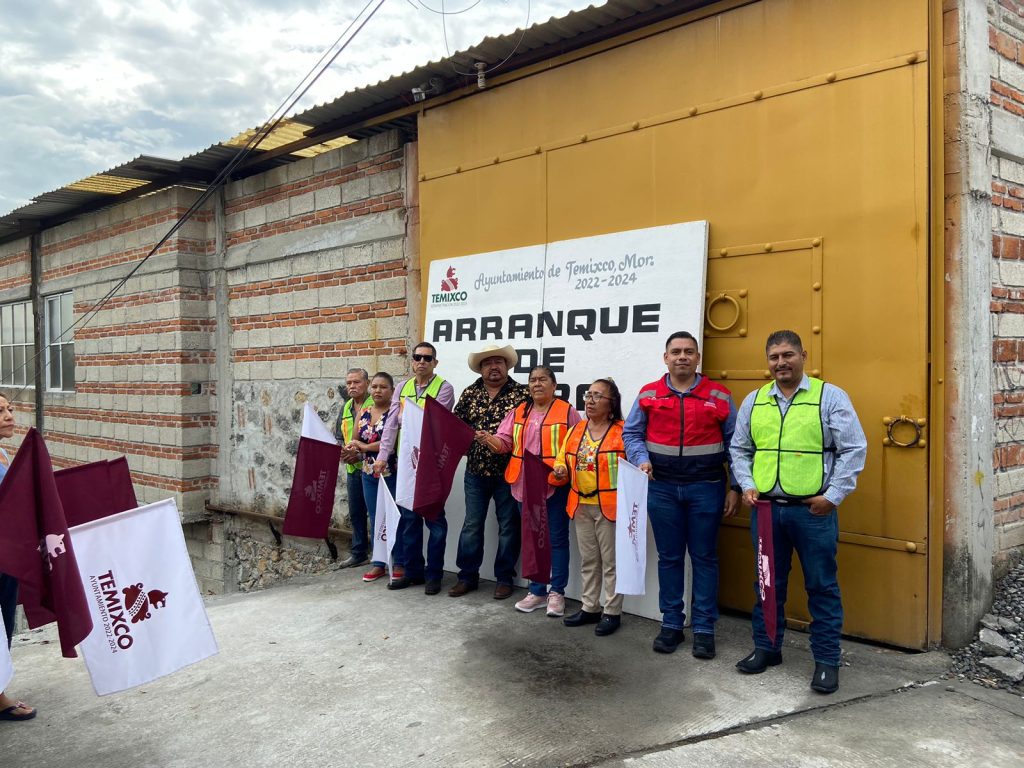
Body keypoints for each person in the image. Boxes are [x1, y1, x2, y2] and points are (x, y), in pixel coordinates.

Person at [730, 330, 866, 694]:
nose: (781, 363)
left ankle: (826, 661)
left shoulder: (829, 396)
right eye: (774, 357)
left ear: (803, 355)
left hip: (813, 512)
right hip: (765, 511)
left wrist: (833, 496)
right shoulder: (754, 401)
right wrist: (745, 484)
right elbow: (739, 448)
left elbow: (854, 448)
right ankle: (767, 647)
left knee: (821, 586)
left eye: (788, 355)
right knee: (767, 583)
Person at [622, 331, 740, 658]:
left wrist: (736, 487)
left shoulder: (719, 394)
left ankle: (703, 628)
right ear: (666, 358)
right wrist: (642, 460)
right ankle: (671, 623)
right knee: (670, 558)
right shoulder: (649, 394)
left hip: (707, 487)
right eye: (676, 352)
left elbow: (737, 444)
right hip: (661, 488)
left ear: (698, 358)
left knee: (704, 558)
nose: (682, 357)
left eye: (689, 351)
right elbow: (632, 433)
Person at [480, 366, 581, 617]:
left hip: (553, 486)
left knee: (556, 540)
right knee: (532, 540)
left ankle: (556, 591)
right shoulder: (519, 411)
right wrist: (489, 439)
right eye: (533, 380)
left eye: (542, 379)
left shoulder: (567, 411)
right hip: (523, 486)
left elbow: (578, 445)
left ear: (554, 385)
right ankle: (536, 591)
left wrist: (565, 470)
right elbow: (504, 443)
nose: (537, 384)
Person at [375, 342, 455, 595]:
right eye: (417, 357)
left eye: (427, 358)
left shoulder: (444, 388)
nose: (422, 361)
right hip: (405, 465)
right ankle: (413, 573)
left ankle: (434, 575)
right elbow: (391, 425)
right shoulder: (402, 387)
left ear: (435, 363)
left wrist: (405, 415)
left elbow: (433, 420)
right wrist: (382, 456)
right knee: (408, 521)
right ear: (412, 361)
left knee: (435, 522)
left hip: (430, 466)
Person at [450, 345, 529, 600]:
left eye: (498, 362)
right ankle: (467, 576)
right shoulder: (470, 393)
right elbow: (455, 426)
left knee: (509, 526)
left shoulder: (521, 394)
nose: (494, 366)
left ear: (507, 366)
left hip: (509, 473)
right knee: (472, 525)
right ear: (481, 368)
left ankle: (504, 578)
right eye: (488, 363)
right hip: (475, 471)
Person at [552, 378, 626, 636]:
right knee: (589, 560)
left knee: (611, 562)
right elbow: (562, 458)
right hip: (580, 503)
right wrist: (560, 469)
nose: (590, 401)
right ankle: (590, 606)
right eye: (588, 395)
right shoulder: (576, 430)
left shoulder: (622, 431)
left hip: (609, 506)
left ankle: (612, 611)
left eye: (597, 396)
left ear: (611, 403)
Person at [0, 392, 36, 722]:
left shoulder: (1, 452)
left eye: (9, 408)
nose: (9, 415)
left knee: (5, 618)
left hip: (5, 556)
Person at [353, 373, 406, 583]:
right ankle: (379, 563)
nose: (377, 390)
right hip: (368, 472)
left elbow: (389, 443)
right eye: (374, 386)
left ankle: (399, 561)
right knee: (376, 517)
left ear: (392, 390)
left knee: (395, 516)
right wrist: (351, 449)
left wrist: (365, 447)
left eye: (383, 387)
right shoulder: (364, 412)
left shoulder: (396, 412)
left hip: (391, 470)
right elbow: (354, 440)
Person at [335, 368, 374, 569]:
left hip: (373, 468)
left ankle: (379, 556)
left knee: (376, 515)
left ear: (367, 383)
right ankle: (358, 553)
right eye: (349, 383)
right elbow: (339, 436)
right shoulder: (346, 407)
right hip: (352, 469)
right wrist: (343, 453)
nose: (352, 386)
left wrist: (359, 454)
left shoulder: (374, 405)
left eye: (357, 382)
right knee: (356, 513)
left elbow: (383, 439)